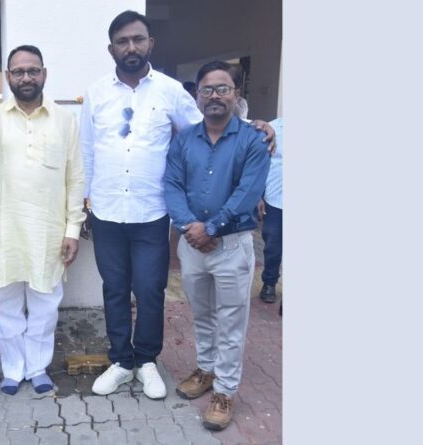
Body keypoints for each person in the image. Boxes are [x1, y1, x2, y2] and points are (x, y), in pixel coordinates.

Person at [80, 10, 275, 400]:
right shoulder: (96, 93)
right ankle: (121, 361)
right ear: (111, 49)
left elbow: (209, 126)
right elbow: (87, 150)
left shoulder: (170, 91)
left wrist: (256, 126)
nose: (131, 47)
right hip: (106, 210)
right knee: (114, 289)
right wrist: (83, 206)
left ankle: (146, 360)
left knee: (150, 290)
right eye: (122, 41)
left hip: (152, 212)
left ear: (150, 43)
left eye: (138, 39)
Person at [164, 60, 270, 431]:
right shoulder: (184, 139)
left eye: (222, 89)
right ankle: (206, 370)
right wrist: (189, 227)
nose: (214, 96)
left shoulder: (253, 140)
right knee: (203, 314)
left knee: (231, 320)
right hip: (192, 244)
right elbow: (172, 185)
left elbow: (248, 192)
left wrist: (210, 228)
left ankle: (225, 391)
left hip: (231, 246)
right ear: (197, 96)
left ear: (236, 94)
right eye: (207, 89)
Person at [0, 45, 85, 395]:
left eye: (33, 70)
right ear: (8, 77)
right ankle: (12, 368)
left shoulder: (65, 120)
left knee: (45, 305)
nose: (26, 77)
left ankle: (37, 367)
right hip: (3, 230)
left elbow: (75, 178)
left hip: (48, 231)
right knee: (4, 305)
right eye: (19, 71)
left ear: (44, 74)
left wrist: (73, 229)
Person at [258, 116, 283, 303]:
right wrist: (258, 196)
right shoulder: (272, 129)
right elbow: (260, 164)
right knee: (273, 243)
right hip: (277, 200)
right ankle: (269, 282)